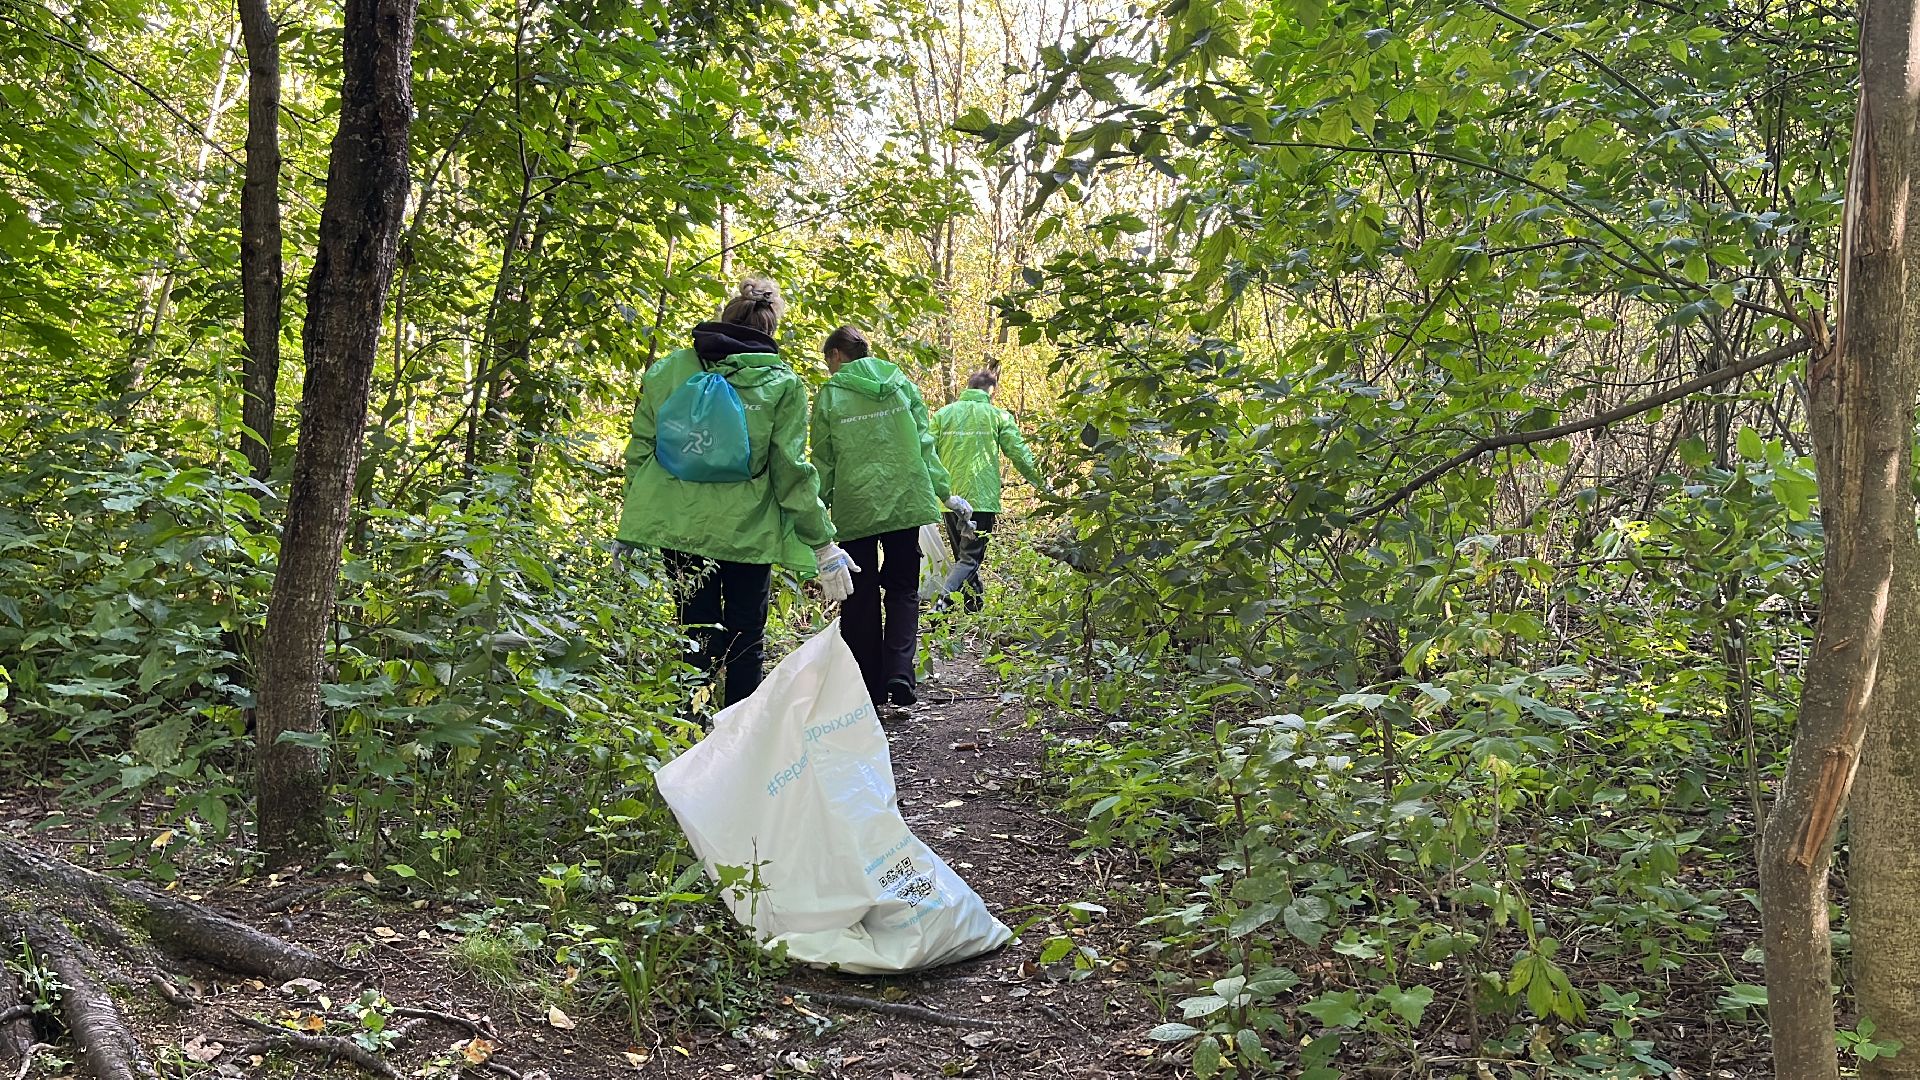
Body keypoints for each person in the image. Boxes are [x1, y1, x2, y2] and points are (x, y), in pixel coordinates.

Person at [615, 277, 857, 709]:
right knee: (748, 638)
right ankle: (739, 739)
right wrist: (822, 543)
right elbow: (790, 473)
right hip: (749, 532)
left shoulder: (669, 371)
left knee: (693, 631)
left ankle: (688, 732)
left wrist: (631, 522)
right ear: (770, 329)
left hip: (680, 527)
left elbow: (643, 450)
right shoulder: (781, 384)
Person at [809, 326, 970, 707]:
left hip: (855, 504)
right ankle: (900, 672)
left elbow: (824, 458)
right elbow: (925, 444)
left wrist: (816, 506)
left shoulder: (831, 394)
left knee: (859, 595)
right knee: (902, 590)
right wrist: (944, 491)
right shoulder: (901, 384)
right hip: (905, 499)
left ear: (835, 355)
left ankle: (866, 685)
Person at [932, 366, 1046, 611]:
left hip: (949, 498)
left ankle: (974, 606)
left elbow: (926, 454)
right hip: (981, 500)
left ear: (968, 387)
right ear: (991, 392)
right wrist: (1042, 484)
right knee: (970, 559)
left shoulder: (943, 415)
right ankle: (942, 602)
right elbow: (1019, 454)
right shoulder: (998, 416)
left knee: (964, 560)